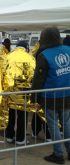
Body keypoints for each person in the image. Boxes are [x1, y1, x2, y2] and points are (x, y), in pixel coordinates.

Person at [32, 27, 70, 164]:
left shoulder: (44, 54)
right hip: (67, 94)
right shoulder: (68, 50)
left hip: (51, 96)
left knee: (53, 125)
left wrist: (34, 98)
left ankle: (59, 154)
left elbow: (38, 79)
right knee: (66, 124)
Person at [4, 41, 35, 145]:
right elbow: (32, 74)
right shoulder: (29, 57)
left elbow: (3, 72)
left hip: (10, 91)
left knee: (11, 114)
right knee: (22, 115)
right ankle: (20, 139)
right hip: (23, 92)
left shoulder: (8, 56)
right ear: (26, 47)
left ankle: (9, 136)